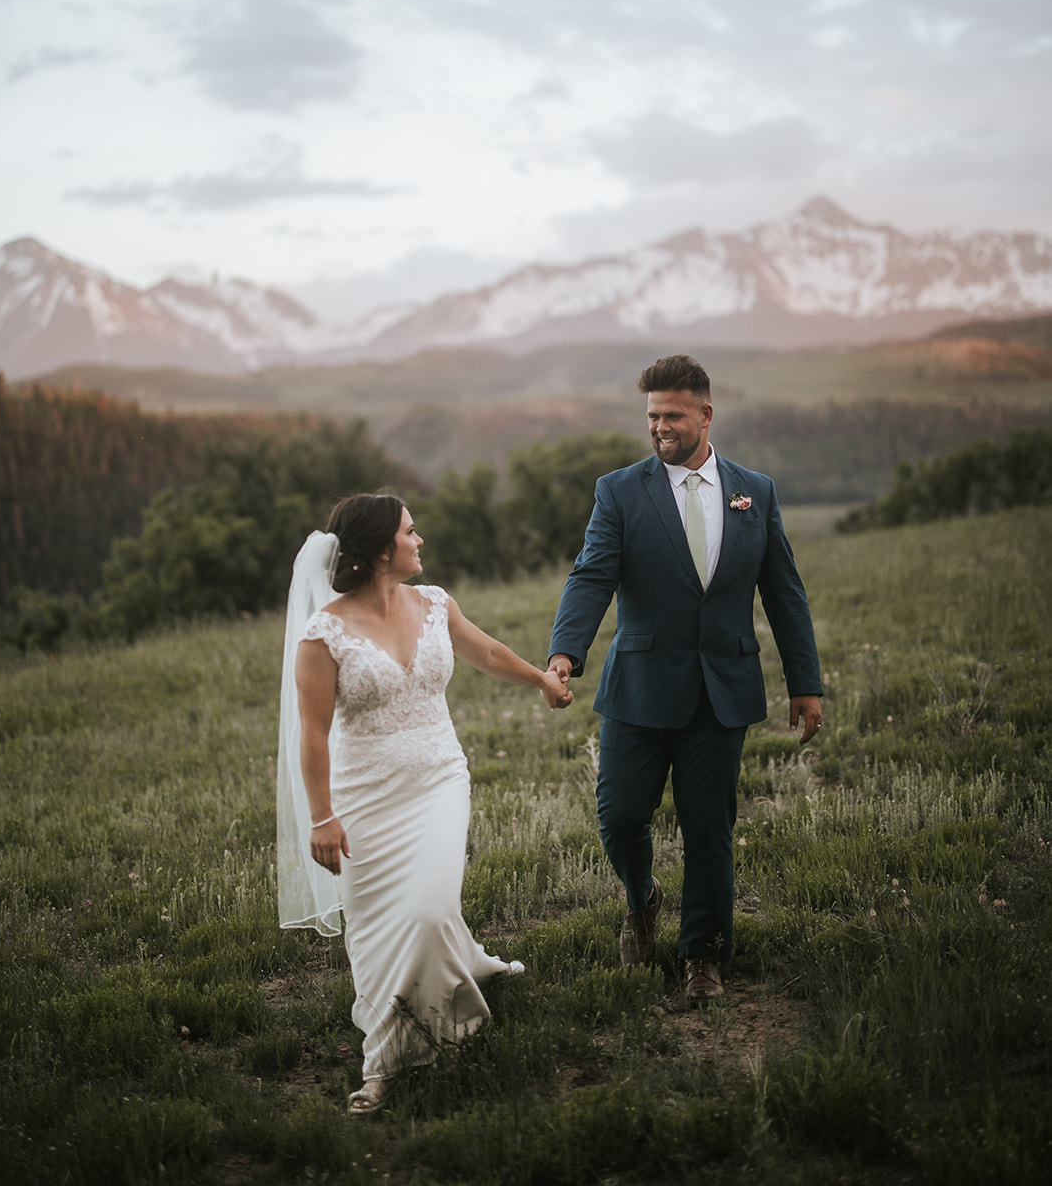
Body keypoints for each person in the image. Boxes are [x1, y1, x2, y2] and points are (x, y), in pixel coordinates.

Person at [276, 491, 572, 1114]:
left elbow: (486, 651)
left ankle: (447, 1021)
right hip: (362, 800)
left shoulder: (435, 603)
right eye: (410, 533)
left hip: (438, 781)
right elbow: (310, 734)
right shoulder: (322, 635)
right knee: (379, 928)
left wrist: (541, 679)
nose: (420, 541)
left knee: (431, 909)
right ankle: (384, 1061)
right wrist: (323, 816)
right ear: (382, 549)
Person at [547, 355, 823, 1005]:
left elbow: (784, 594)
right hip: (638, 687)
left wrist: (804, 683)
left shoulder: (755, 490)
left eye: (672, 415)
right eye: (651, 416)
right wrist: (564, 654)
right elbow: (591, 576)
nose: (659, 427)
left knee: (708, 830)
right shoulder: (618, 491)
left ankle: (702, 955)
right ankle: (640, 897)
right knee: (618, 818)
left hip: (721, 690)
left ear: (704, 414)